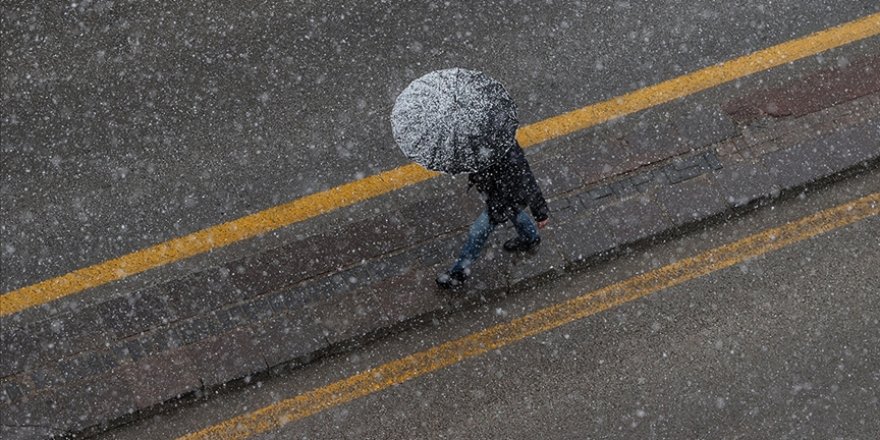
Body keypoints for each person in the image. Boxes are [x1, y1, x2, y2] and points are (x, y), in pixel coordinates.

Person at [436, 142, 549, 289]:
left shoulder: (509, 153)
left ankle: (458, 273)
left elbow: (528, 181)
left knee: (478, 232)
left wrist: (541, 213)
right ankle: (530, 238)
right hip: (500, 196)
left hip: (503, 199)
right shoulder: (481, 144)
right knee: (515, 213)